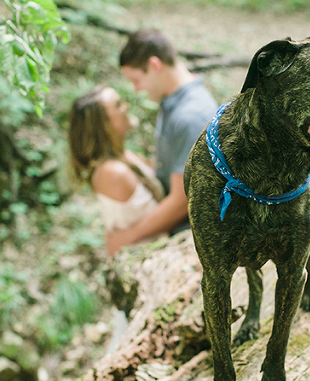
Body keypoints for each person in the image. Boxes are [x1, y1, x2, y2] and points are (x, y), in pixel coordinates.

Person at [106, 28, 218, 256]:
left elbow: (181, 201)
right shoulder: (171, 103)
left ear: (155, 65)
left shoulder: (190, 116)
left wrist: (126, 238)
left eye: (136, 80)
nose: (136, 89)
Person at [68, 86, 167, 245]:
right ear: (105, 125)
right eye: (119, 105)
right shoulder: (113, 172)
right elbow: (165, 216)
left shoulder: (126, 156)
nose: (126, 106)